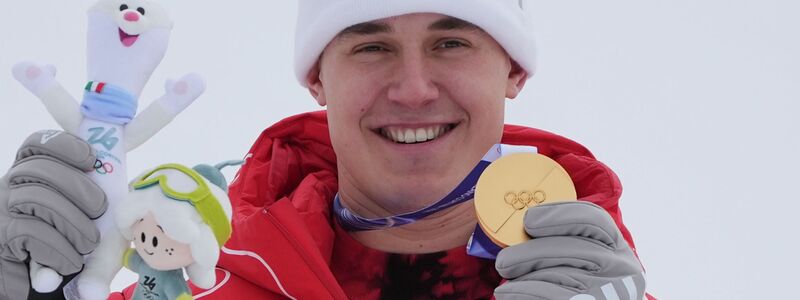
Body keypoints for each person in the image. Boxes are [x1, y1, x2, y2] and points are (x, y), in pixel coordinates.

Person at [0, 1, 653, 299]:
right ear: (318, 77)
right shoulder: (184, 283)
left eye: (452, 42)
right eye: (371, 44)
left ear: (512, 69)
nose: (414, 88)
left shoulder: (592, 286)